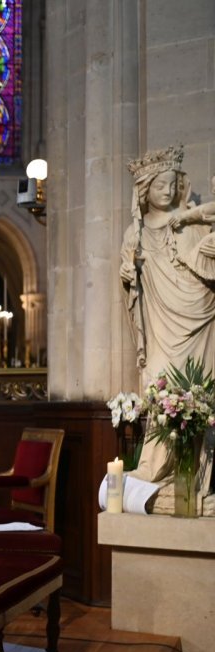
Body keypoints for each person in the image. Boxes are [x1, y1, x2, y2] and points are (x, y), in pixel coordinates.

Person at [119, 145, 215, 491]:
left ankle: (195, 478)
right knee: (163, 385)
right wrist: (128, 277)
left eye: (174, 184)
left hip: (199, 316)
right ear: (146, 190)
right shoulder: (136, 233)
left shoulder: (190, 221)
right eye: (161, 185)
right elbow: (129, 281)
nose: (169, 191)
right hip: (161, 323)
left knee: (198, 394)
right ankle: (158, 469)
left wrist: (194, 219)